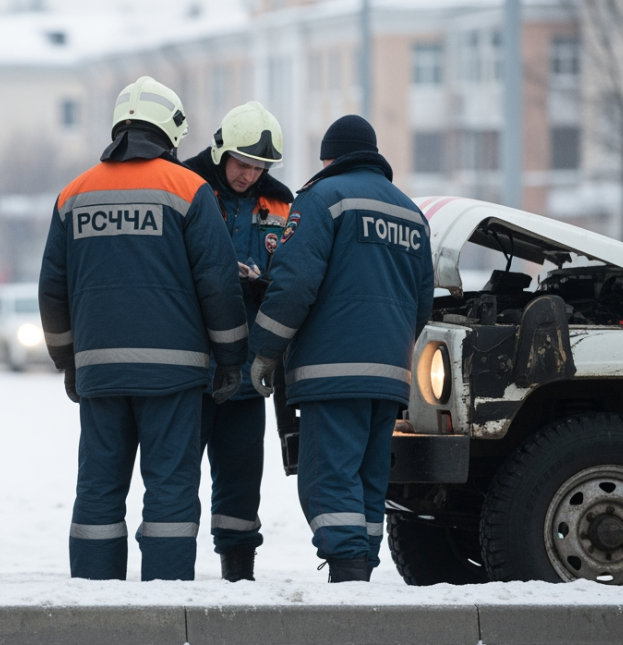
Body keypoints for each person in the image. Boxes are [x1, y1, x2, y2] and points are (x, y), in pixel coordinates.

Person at [39, 76, 248, 582]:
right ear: (171, 131)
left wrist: (69, 362)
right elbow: (218, 286)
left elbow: (52, 291)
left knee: (98, 487)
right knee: (171, 488)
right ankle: (166, 603)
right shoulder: (188, 189)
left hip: (100, 375)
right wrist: (230, 359)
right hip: (173, 377)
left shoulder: (75, 193)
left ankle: (95, 603)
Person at [247, 115, 434, 583]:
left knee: (328, 478)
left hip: (331, 372)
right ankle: (360, 572)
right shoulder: (411, 213)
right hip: (391, 376)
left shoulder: (322, 199)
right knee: (370, 480)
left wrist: (267, 350)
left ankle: (347, 574)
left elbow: (293, 286)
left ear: (330, 158)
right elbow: (422, 303)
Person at [180, 102, 292, 581]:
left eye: (260, 167)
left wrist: (262, 282)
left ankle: (238, 572)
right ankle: (169, 571)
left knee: (242, 483)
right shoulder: (185, 187)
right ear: (221, 151)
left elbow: (294, 272)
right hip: (191, 367)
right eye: (243, 163)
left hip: (248, 372)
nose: (250, 174)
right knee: (176, 479)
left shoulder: (283, 204)